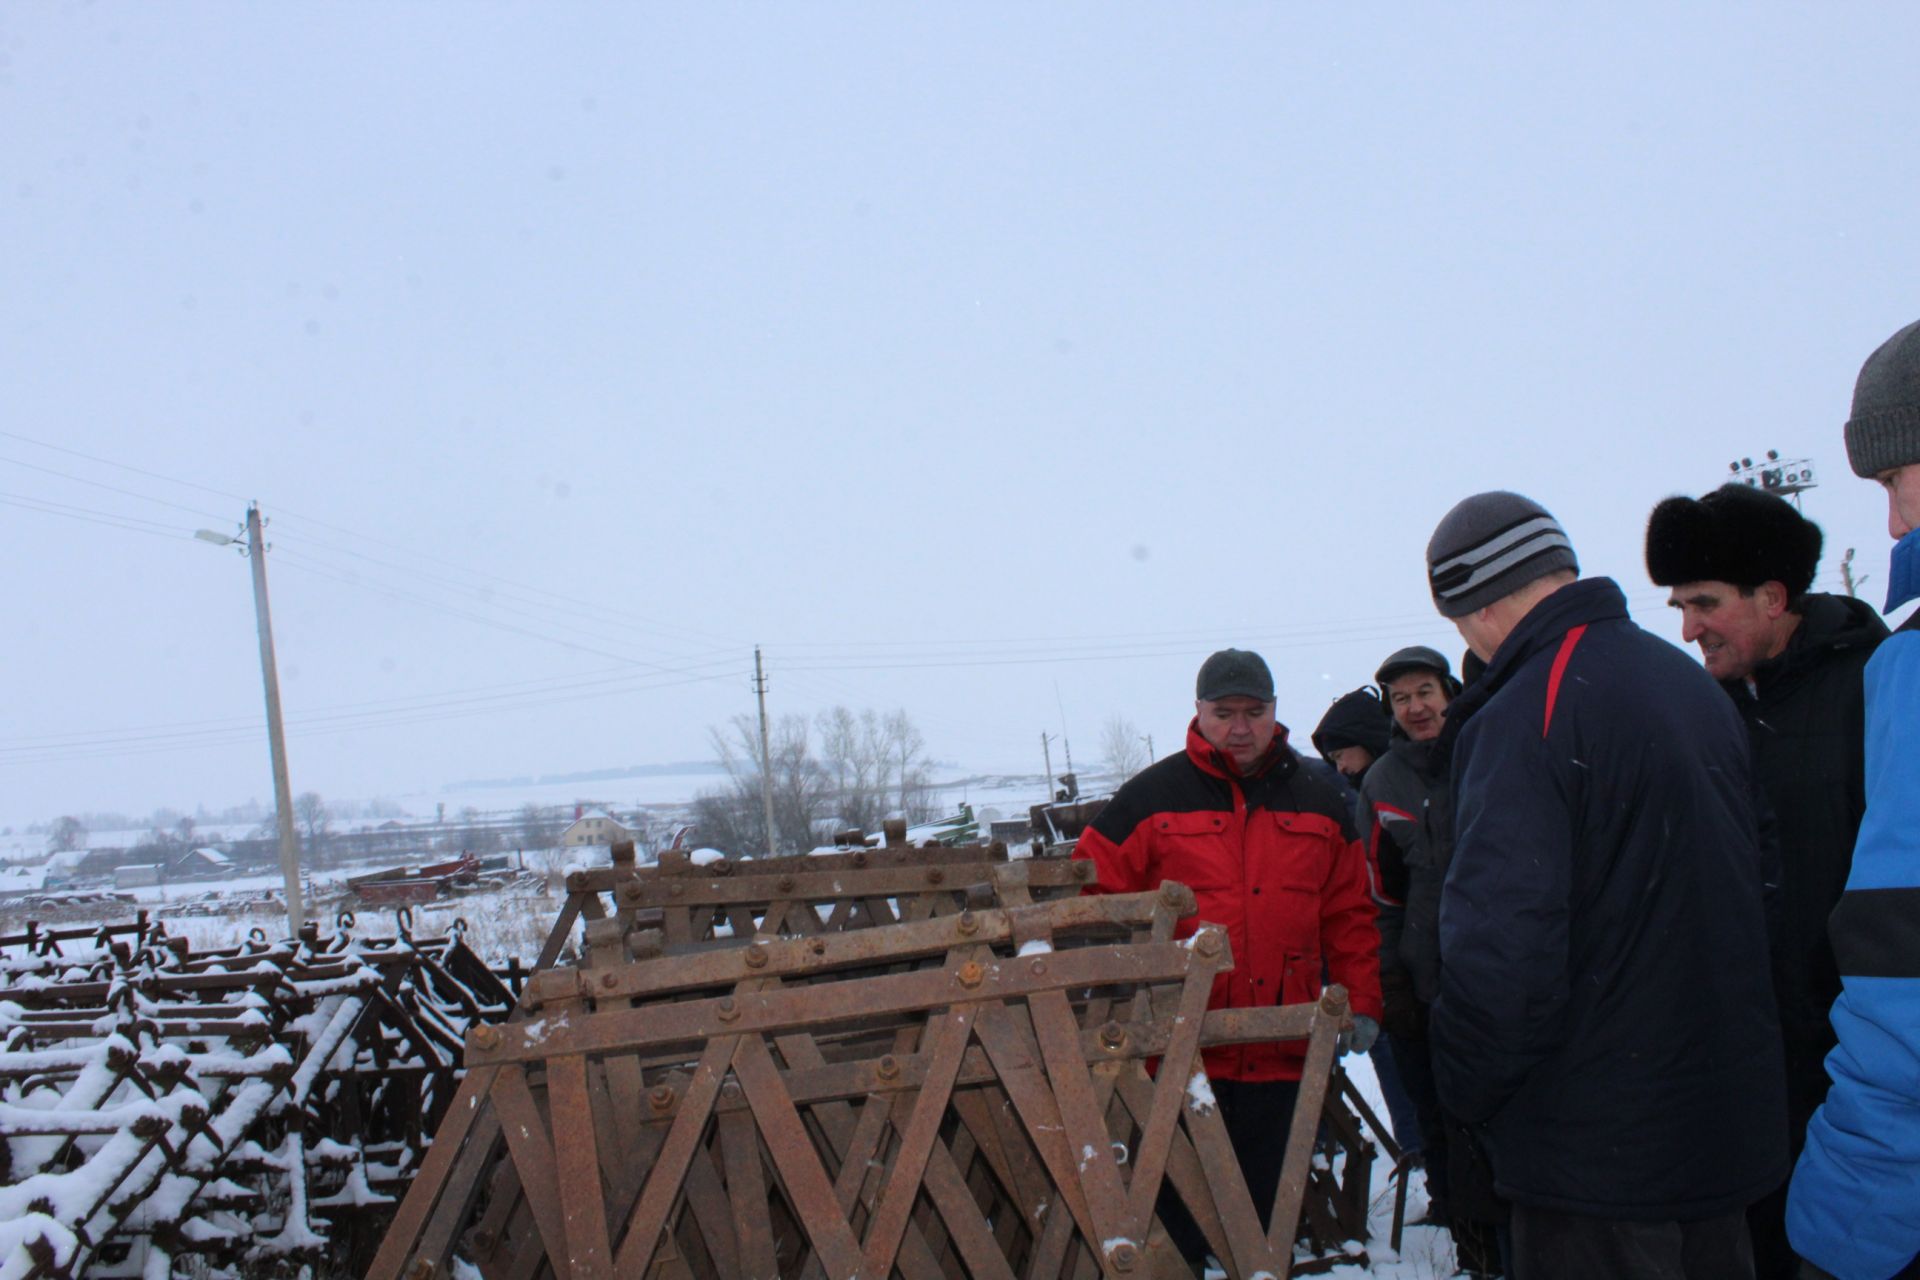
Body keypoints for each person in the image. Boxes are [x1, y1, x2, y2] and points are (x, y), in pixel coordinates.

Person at [1423, 491, 1787, 1280]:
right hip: (1716, 1132)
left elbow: (1505, 956)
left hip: (1595, 1156)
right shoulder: (1685, 684)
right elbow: (1760, 881)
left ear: (1475, 603)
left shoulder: (1525, 711)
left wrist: (1460, 1085)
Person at [1645, 483, 1888, 1280]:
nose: (1688, 630)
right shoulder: (1700, 714)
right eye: (1680, 607)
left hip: (1864, 1066)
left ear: (1774, 596)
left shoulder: (1876, 688)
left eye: (1704, 603)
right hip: (1743, 1068)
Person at [1074, 648, 1382, 1265]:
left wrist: (1363, 1000)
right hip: (1178, 1057)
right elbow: (1089, 899)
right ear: (1198, 712)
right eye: (1224, 713)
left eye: (1254, 712)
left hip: (1284, 1047)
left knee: (1267, 1223)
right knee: (1177, 1227)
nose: (1240, 728)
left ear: (1274, 713)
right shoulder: (1151, 798)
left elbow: (1349, 913)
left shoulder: (1318, 802)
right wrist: (1114, 996)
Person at [1787, 318, 1920, 1280]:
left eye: (1891, 478)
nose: (1892, 523)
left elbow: (1902, 951)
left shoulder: (1906, 666)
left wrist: (1846, 1210)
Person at [1359, 646, 1503, 1277]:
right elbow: (1380, 895)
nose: (1416, 707)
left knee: (1503, 1117)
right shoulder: (1382, 783)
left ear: (1448, 691)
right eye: (1401, 698)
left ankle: (1519, 1241)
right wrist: (1391, 979)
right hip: (1427, 978)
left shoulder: (1493, 748)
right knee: (1440, 1120)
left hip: (1504, 971)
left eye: (1424, 691)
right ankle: (1469, 1242)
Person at [1311, 683, 1427, 1172]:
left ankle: (1420, 1148)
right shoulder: (1363, 791)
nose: (1340, 766)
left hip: (1399, 949)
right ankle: (1418, 1148)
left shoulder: (1383, 791)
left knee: (1394, 1046)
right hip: (1384, 948)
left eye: (1344, 753)